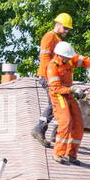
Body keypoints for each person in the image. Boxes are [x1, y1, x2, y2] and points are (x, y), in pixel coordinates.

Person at [46, 41, 90, 165]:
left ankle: (72, 155)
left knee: (78, 125)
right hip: (58, 96)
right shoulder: (52, 67)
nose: (69, 59)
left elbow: (86, 60)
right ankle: (58, 153)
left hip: (69, 94)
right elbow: (55, 88)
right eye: (66, 57)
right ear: (59, 55)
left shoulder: (70, 59)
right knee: (65, 122)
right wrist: (72, 89)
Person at [31, 13, 73, 148]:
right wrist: (51, 76)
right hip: (47, 76)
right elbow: (45, 58)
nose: (67, 31)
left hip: (54, 77)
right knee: (55, 104)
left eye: (68, 29)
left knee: (59, 104)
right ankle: (39, 129)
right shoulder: (49, 37)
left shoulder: (58, 40)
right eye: (65, 28)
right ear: (58, 25)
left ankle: (53, 134)